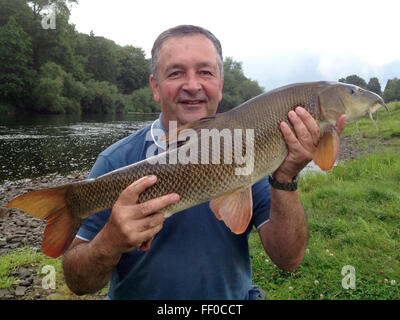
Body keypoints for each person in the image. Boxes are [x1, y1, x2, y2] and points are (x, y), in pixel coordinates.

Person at [62, 25, 346, 299]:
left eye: (205, 72)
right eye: (175, 73)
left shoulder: (254, 149)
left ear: (220, 86)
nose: (192, 85)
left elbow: (288, 259)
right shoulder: (116, 161)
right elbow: (78, 283)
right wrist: (109, 242)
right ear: (156, 87)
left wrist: (285, 179)